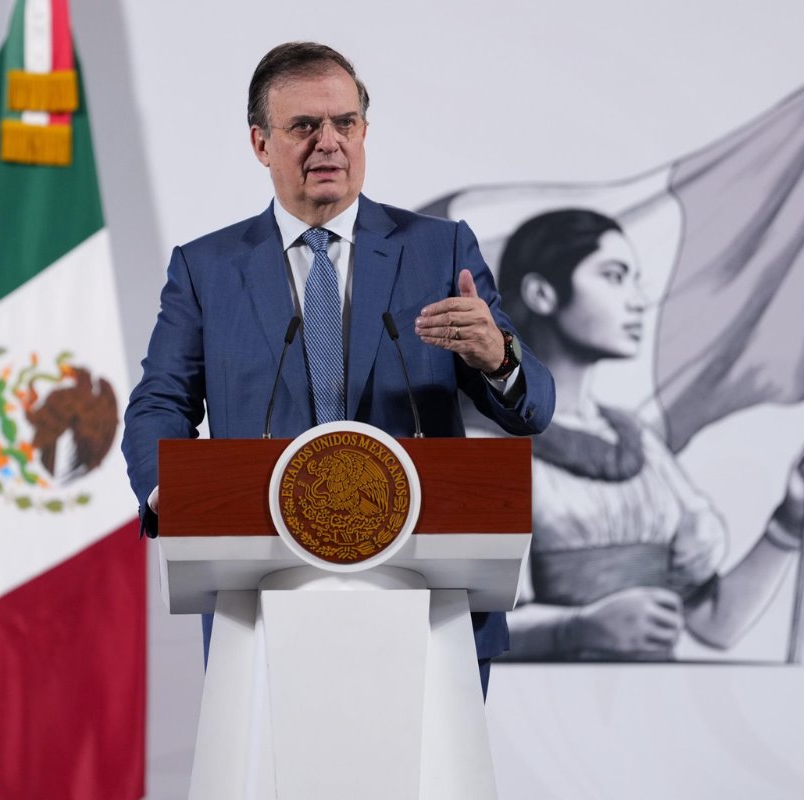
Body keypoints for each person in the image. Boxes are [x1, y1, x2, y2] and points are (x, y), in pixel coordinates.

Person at [121, 42, 555, 694]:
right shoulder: (207, 269)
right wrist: (176, 498)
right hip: (265, 599)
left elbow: (534, 407)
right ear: (261, 144)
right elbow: (160, 402)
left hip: (427, 600)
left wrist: (498, 357)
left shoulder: (439, 251)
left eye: (345, 123)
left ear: (364, 132)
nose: (329, 143)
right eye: (304, 127)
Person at [494, 209, 804, 660]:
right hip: (543, 715)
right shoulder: (490, 443)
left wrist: (792, 518)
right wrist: (576, 629)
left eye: (635, 279)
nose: (638, 300)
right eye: (614, 276)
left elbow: (714, 623)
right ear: (542, 293)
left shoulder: (637, 442)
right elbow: (468, 628)